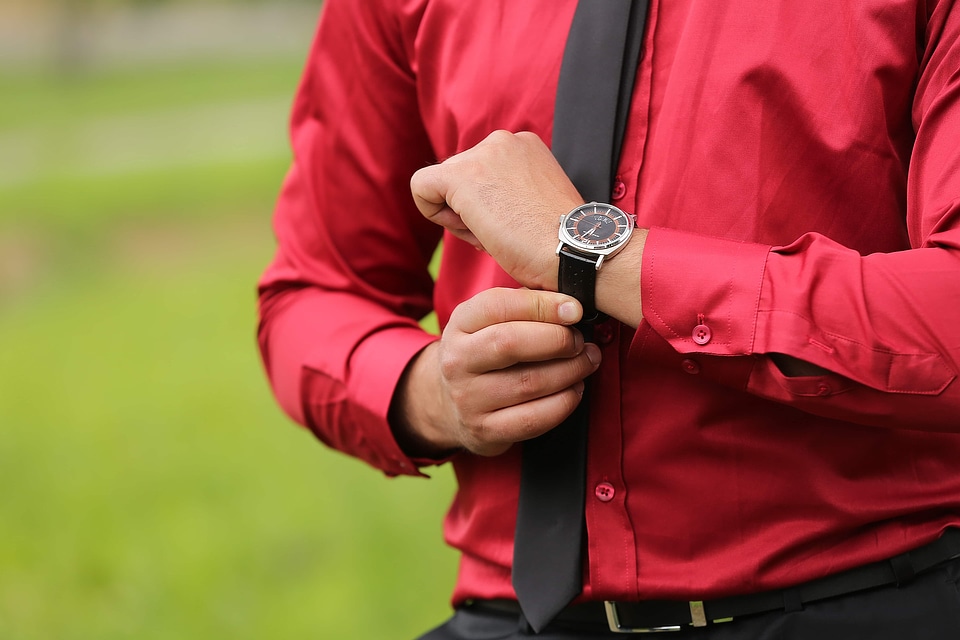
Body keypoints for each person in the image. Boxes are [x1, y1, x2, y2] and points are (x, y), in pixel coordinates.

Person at [256, 1, 960, 638]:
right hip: (510, 615)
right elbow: (314, 290)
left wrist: (602, 254)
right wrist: (428, 395)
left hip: (877, 596)